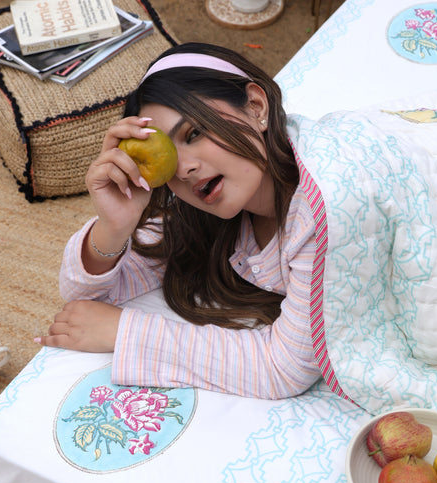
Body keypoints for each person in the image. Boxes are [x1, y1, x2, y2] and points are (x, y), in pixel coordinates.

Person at [35, 42, 327, 399]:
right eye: (170, 157)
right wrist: (114, 225)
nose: (185, 169)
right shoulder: (216, 209)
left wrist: (124, 331)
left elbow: (285, 368)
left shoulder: (322, 208)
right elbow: (85, 296)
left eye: (194, 134)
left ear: (256, 105)